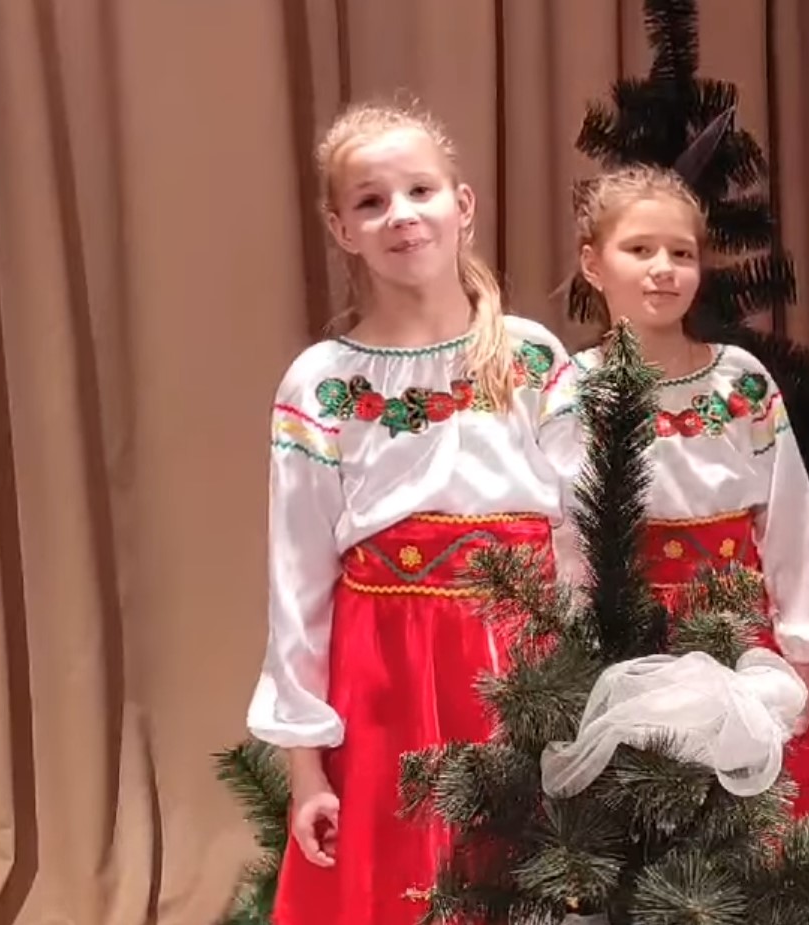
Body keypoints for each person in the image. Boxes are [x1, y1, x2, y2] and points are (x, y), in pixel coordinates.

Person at [245, 99, 571, 925]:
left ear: (462, 206)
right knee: (399, 882)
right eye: (370, 201)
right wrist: (307, 766)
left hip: (524, 663)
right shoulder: (323, 384)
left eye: (420, 190)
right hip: (386, 675)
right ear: (341, 229)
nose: (400, 214)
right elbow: (297, 579)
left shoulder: (531, 356)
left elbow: (582, 529)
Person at [539, 162, 809, 814]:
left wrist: (802, 651)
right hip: (624, 642)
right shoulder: (572, 391)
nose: (663, 269)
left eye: (681, 253)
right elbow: (562, 535)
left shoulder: (741, 382)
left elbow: (790, 522)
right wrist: (571, 652)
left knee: (754, 825)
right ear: (593, 264)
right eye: (639, 249)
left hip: (738, 636)